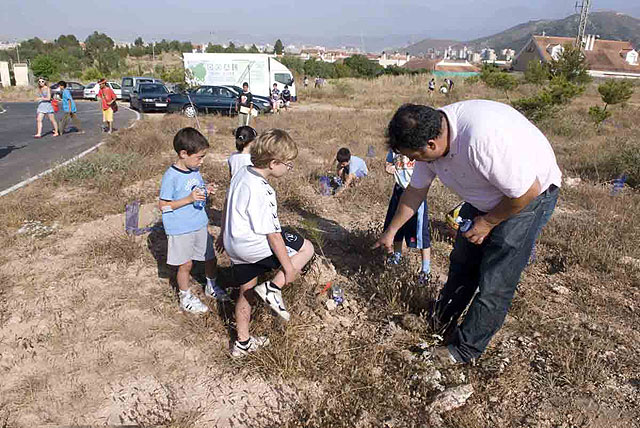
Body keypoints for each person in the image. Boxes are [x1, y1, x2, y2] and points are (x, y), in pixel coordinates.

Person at [374, 101, 561, 365]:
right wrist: (390, 232)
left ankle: (464, 350)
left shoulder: (481, 142)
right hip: (488, 194)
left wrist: (488, 223)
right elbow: (415, 192)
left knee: (495, 279)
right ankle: (441, 320)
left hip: (528, 198)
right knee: (463, 262)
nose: (413, 162)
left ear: (431, 145)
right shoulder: (433, 136)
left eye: (414, 157)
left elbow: (527, 191)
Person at [221, 129, 315, 357]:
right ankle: (274, 288)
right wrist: (289, 269)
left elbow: (227, 203)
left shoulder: (242, 172)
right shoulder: (264, 190)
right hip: (253, 245)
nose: (289, 168)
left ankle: (242, 343)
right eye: (288, 164)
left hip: (234, 243)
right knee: (307, 247)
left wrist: (223, 233)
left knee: (247, 290)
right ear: (273, 163)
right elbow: (273, 235)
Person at [158, 127, 231, 314]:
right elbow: (164, 205)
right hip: (180, 228)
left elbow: (195, 189)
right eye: (199, 157)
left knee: (209, 258)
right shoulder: (171, 176)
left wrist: (206, 189)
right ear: (183, 154)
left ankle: (211, 286)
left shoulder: (194, 170)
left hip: (199, 223)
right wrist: (189, 199)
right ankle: (185, 296)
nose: (202, 161)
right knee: (186, 264)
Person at [384, 149, 432, 285]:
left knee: (421, 234)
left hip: (416, 193)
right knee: (397, 226)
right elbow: (388, 162)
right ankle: (397, 256)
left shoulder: (417, 148)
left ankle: (425, 270)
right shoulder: (393, 150)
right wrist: (388, 168)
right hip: (399, 191)